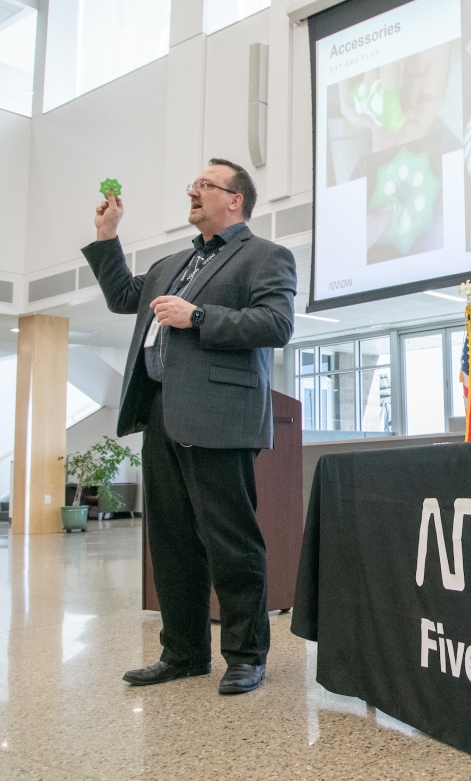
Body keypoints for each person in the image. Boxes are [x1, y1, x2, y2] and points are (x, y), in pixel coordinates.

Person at [82, 158, 297, 695]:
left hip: (221, 416)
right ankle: (182, 652)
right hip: (161, 412)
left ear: (236, 200)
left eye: (206, 185)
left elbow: (276, 324)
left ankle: (247, 654)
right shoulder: (172, 263)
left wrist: (197, 317)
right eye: (193, 185)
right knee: (172, 541)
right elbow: (122, 297)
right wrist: (108, 237)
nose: (193, 192)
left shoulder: (266, 256)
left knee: (230, 540)